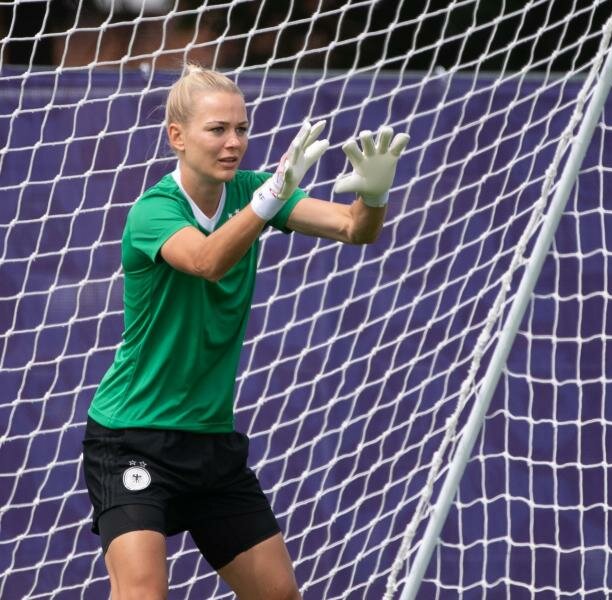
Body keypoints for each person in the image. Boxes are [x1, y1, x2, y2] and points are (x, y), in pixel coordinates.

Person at [81, 64, 409, 600]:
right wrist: (271, 197)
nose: (234, 142)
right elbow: (207, 259)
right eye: (217, 130)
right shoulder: (153, 212)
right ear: (177, 136)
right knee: (142, 593)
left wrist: (373, 198)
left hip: (211, 445)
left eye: (242, 128)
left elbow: (354, 231)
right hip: (131, 440)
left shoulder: (256, 192)